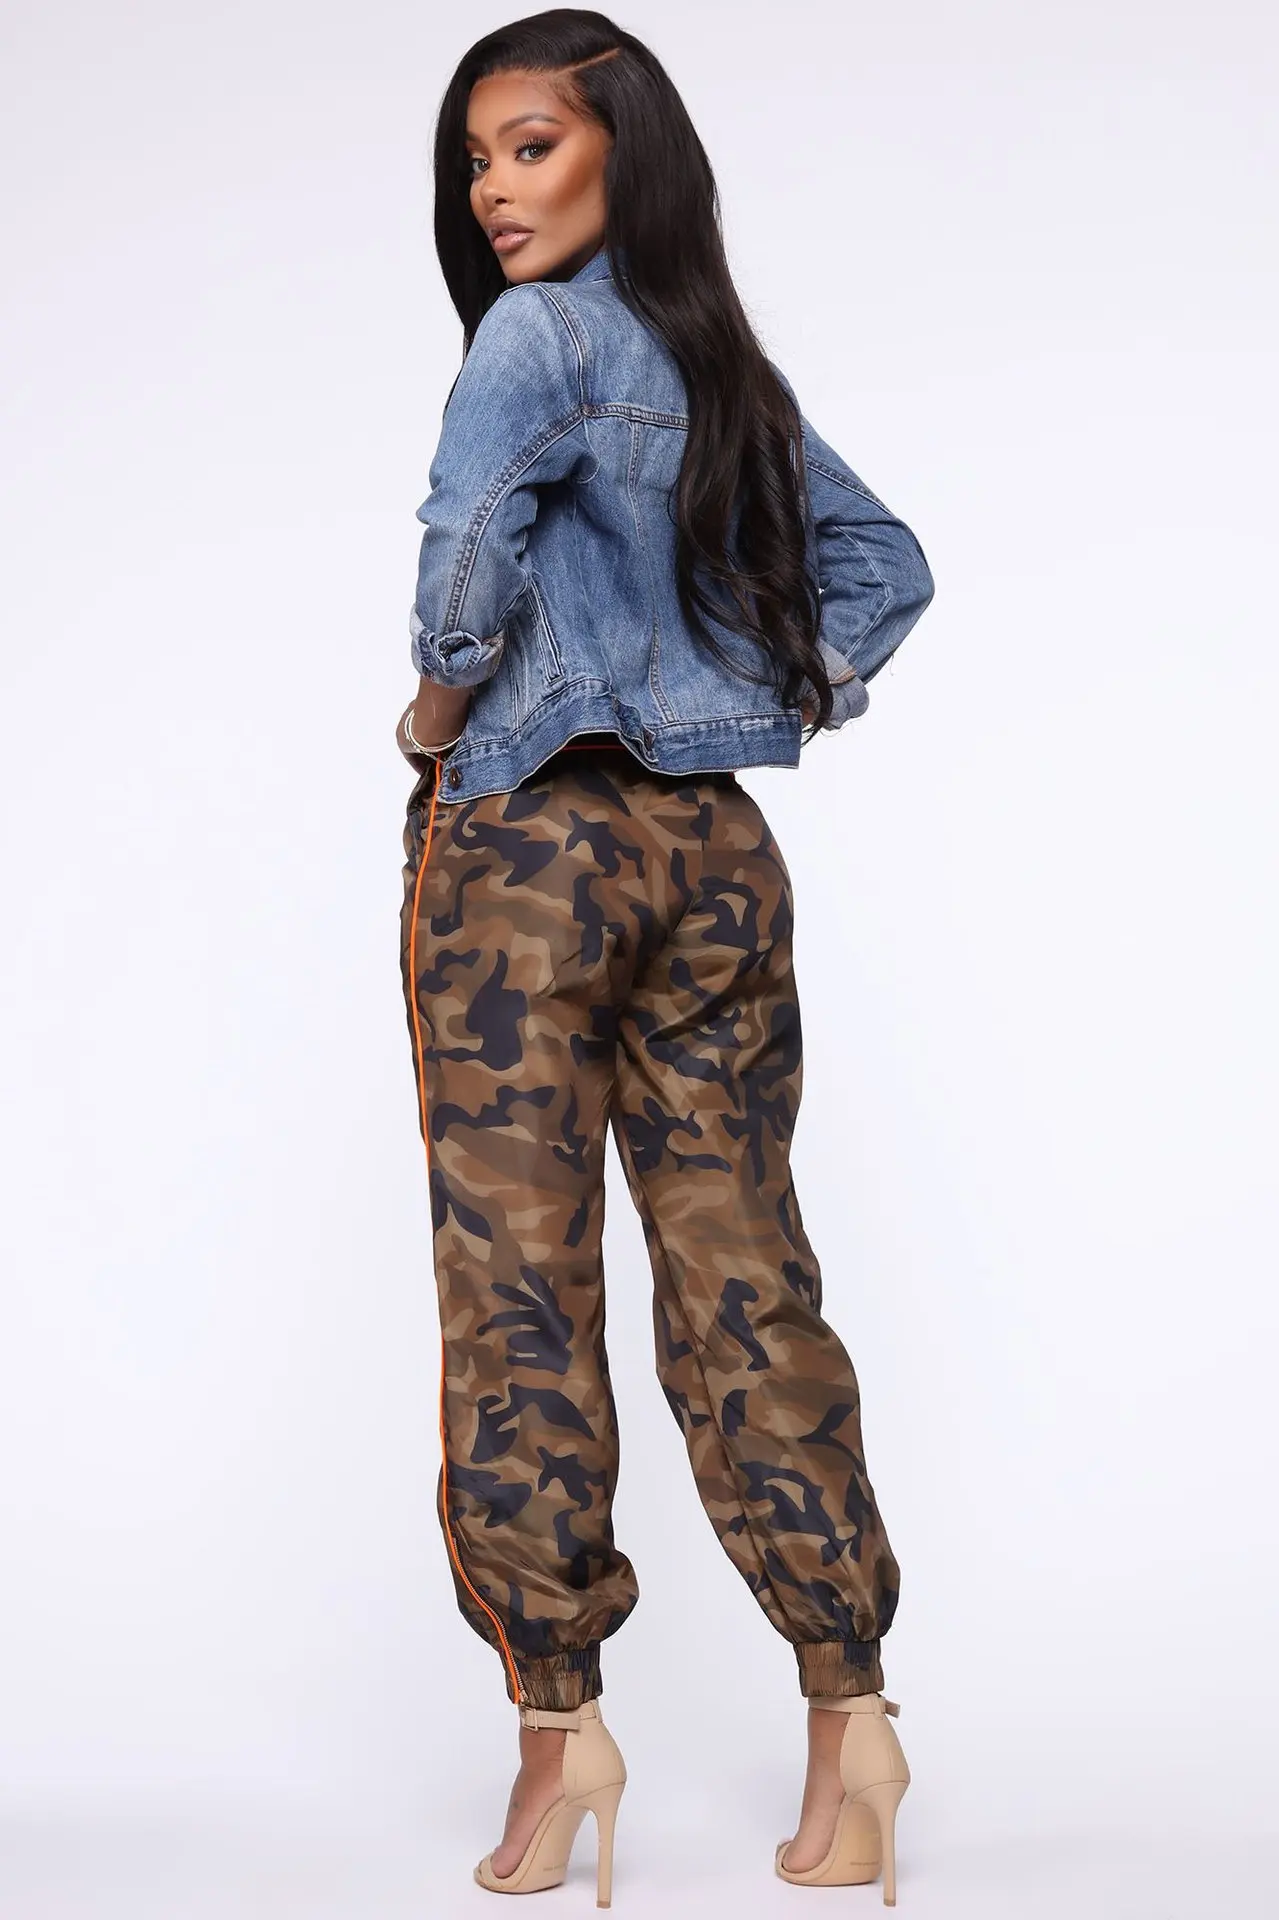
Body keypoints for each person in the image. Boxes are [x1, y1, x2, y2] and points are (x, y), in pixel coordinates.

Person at [396, 8, 934, 1904]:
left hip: (529, 856)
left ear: (623, 148)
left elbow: (463, 561)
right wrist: (755, 698)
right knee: (744, 1273)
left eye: (530, 146)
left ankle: (562, 1740)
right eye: (478, 158)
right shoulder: (717, 367)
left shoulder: (531, 342)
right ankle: (852, 1720)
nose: (494, 189)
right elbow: (884, 568)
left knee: (519, 1293)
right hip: (713, 856)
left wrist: (435, 709)